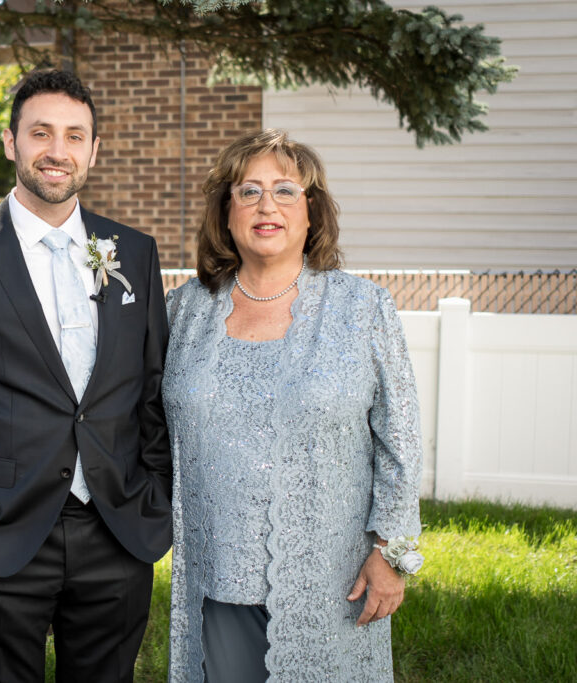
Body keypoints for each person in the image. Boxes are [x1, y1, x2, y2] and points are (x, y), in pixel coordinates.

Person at [0, 69, 172, 682]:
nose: (58, 150)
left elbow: (151, 392)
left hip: (116, 530)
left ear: (94, 150)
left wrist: (155, 499)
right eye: (41, 132)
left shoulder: (135, 251)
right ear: (10, 142)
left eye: (76, 136)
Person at [163, 129, 423, 682]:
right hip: (219, 574)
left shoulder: (363, 308)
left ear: (312, 213)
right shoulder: (183, 313)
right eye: (248, 191)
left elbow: (399, 443)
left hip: (334, 576)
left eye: (285, 191)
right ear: (225, 213)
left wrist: (392, 553)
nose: (266, 206)